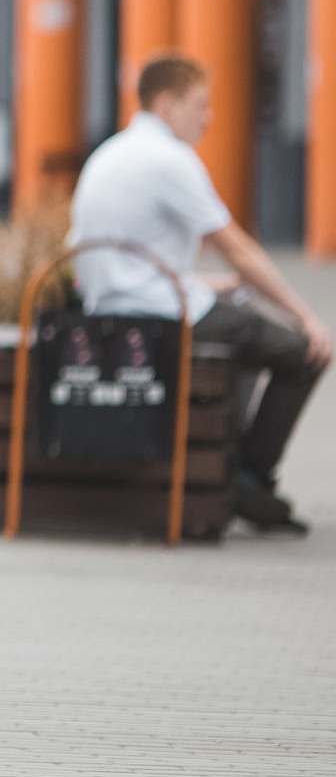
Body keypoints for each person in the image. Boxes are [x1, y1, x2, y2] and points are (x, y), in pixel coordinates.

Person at [68, 52, 332, 534]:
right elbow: (239, 251)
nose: (209, 118)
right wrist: (305, 315)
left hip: (112, 313)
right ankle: (251, 479)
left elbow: (114, 263)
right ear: (167, 104)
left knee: (240, 323)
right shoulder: (171, 160)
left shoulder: (108, 154)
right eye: (201, 105)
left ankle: (231, 472)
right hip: (161, 318)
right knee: (301, 352)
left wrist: (209, 284)